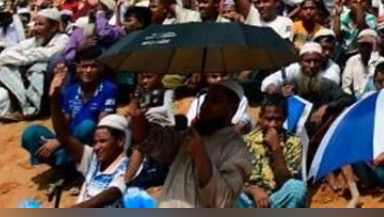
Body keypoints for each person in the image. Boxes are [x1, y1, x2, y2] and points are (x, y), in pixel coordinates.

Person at [131, 78, 253, 208]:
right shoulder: (189, 136)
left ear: (231, 109)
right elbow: (153, 143)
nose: (206, 106)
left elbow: (223, 199)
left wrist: (200, 155)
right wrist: (138, 120)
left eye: (214, 101)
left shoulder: (237, 149)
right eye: (206, 100)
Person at [42, 65, 129, 207]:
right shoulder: (93, 159)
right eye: (95, 142)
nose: (97, 146)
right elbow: (64, 135)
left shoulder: (126, 166)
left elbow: (113, 192)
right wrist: (55, 98)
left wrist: (78, 208)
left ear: (120, 141)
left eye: (103, 141)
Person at [21, 46, 117, 171]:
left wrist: (59, 141)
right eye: (84, 66)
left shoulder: (109, 88)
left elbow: (103, 126)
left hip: (91, 142)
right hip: (68, 139)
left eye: (93, 66)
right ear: (77, 68)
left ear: (101, 68)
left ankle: (74, 166)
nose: (88, 70)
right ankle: (63, 167)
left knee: (87, 127)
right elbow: (64, 122)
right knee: (31, 133)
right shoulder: (71, 90)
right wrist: (55, 96)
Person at [0, 7, 70, 122]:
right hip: (27, 76)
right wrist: (27, 58)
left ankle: (33, 109)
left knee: (38, 67)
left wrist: (24, 57)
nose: (35, 28)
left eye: (40, 24)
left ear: (54, 27)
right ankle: (21, 107)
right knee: (7, 69)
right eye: (35, 24)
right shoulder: (36, 40)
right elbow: (4, 55)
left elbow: (49, 54)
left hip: (49, 80)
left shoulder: (63, 39)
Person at [240, 93, 308, 208]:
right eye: (268, 119)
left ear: (285, 117)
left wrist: (276, 149)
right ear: (260, 117)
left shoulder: (293, 142)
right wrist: (253, 190)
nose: (273, 124)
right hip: (249, 202)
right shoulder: (245, 142)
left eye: (278, 119)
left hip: (276, 201)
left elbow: (287, 182)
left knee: (298, 188)